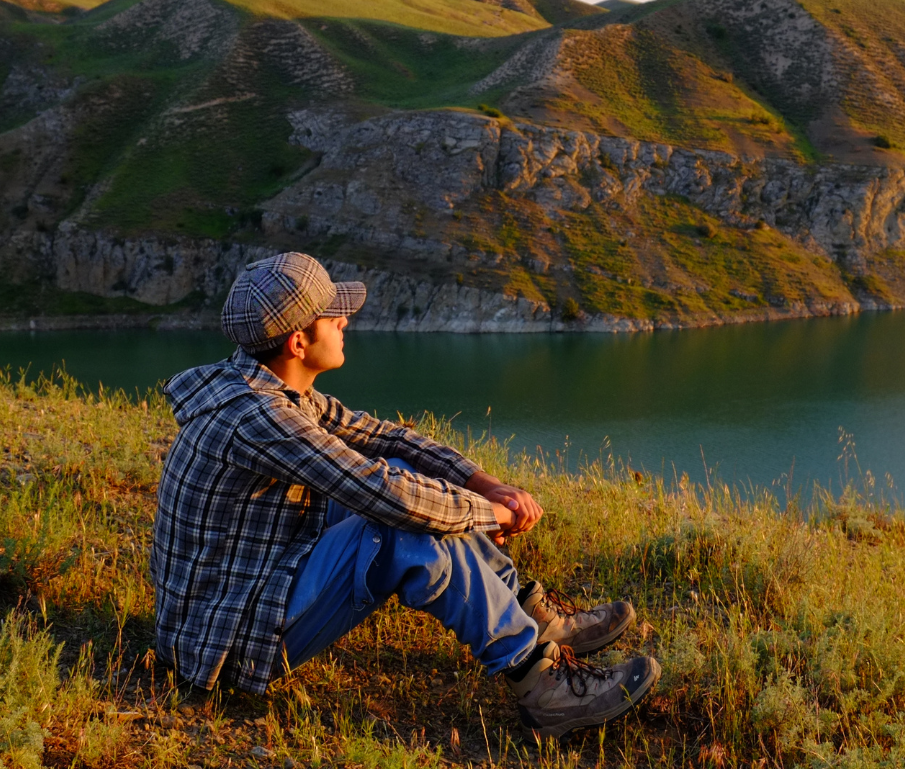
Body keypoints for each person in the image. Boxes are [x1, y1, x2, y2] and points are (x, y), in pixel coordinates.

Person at [150, 252, 660, 739]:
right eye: (334, 317)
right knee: (403, 522)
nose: (346, 321)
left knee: (400, 469)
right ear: (298, 343)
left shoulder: (271, 386)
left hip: (255, 583)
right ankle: (540, 683)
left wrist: (484, 484)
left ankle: (527, 615)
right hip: (224, 640)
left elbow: (387, 439)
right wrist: (487, 514)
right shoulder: (257, 416)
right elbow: (387, 496)